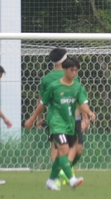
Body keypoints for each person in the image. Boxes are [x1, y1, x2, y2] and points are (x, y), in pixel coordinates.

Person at [31, 56, 96, 191]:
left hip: (70, 124)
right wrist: (32, 119)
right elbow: (42, 104)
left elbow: (82, 103)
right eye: (72, 70)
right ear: (64, 70)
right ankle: (71, 180)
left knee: (65, 154)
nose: (74, 73)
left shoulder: (77, 87)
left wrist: (89, 113)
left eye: (76, 71)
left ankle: (50, 181)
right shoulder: (54, 86)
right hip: (56, 123)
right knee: (64, 150)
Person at [24, 48, 87, 184]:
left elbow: (41, 101)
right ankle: (66, 176)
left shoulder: (48, 78)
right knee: (68, 148)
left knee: (57, 148)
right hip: (67, 119)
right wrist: (85, 119)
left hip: (67, 119)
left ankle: (59, 175)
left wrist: (39, 118)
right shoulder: (69, 76)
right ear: (65, 60)